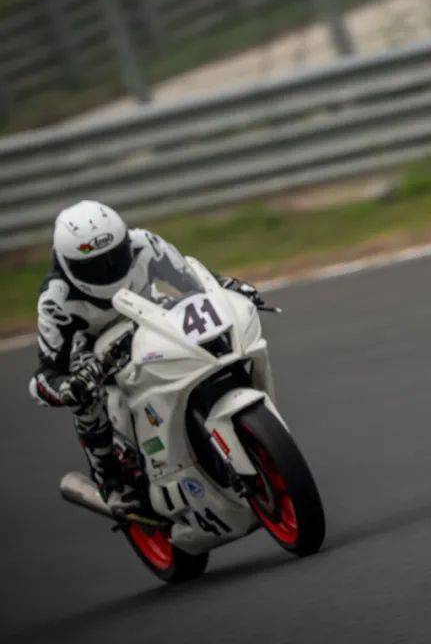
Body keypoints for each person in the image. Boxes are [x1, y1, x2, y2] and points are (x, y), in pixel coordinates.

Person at [28, 200, 261, 515]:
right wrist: (69, 387)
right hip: (92, 351)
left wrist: (231, 287)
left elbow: (194, 279)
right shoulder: (55, 300)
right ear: (66, 265)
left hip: (150, 316)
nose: (109, 269)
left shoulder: (144, 245)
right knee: (87, 398)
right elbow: (43, 378)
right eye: (94, 267)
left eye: (115, 257)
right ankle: (109, 479)